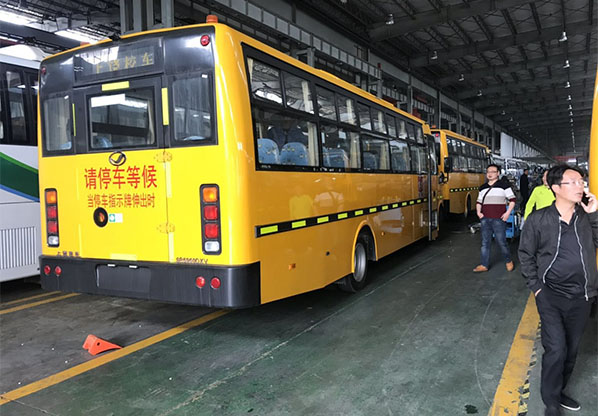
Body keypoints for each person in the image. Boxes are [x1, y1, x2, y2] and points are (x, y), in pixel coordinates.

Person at [518, 165, 598, 416]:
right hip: (550, 294)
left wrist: (594, 215)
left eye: (581, 182)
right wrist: (537, 288)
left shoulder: (586, 217)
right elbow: (526, 254)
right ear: (555, 188)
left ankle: (559, 390)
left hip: (583, 295)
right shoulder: (538, 219)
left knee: (571, 350)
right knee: (557, 349)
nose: (580, 186)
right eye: (573, 182)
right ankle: (551, 403)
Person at [473, 164, 516, 272]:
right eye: (488, 171)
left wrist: (507, 213)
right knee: (485, 243)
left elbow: (512, 200)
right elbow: (479, 202)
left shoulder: (504, 186)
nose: (490, 174)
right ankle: (484, 265)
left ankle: (508, 261)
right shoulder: (482, 187)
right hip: (485, 219)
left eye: (493, 171)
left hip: (499, 219)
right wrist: (478, 212)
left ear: (498, 173)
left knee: (501, 242)